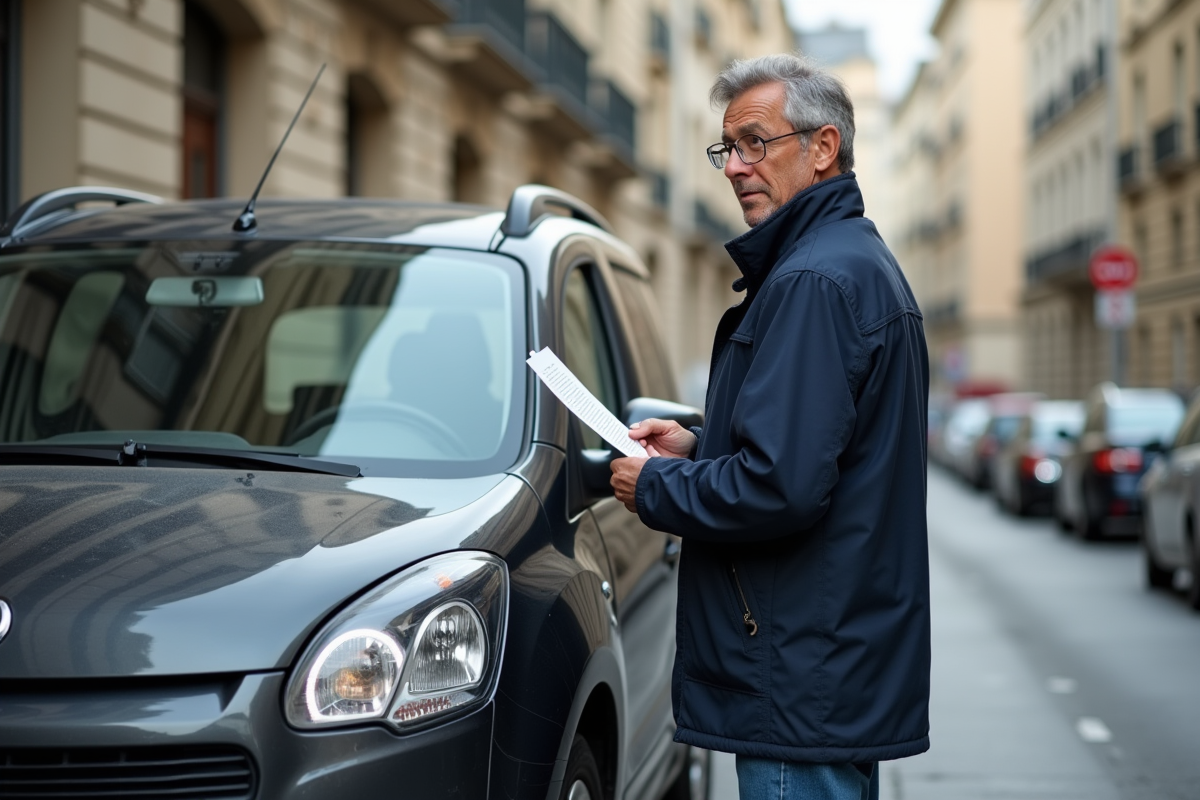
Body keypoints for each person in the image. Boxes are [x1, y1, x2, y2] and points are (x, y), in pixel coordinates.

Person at [610, 54, 930, 800]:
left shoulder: (814, 282)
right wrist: (699, 445)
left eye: (756, 142)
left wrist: (659, 486)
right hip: (823, 662)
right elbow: (817, 450)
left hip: (795, 674)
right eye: (728, 148)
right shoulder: (847, 264)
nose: (734, 167)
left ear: (822, 149)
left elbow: (778, 487)